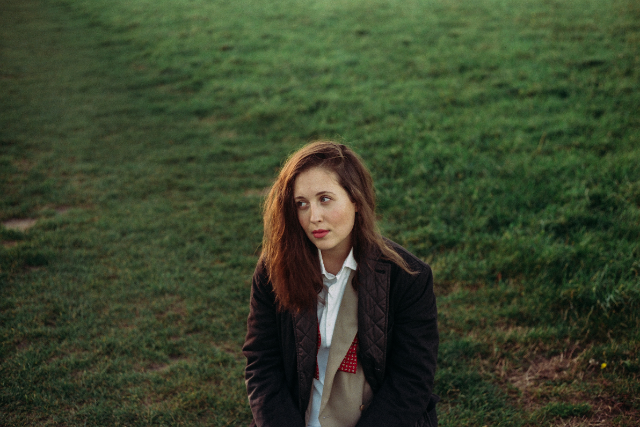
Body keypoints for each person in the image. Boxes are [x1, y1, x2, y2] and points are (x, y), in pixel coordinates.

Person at [243, 141, 439, 427]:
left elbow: (411, 380)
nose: (314, 217)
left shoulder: (408, 277)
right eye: (301, 204)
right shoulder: (274, 269)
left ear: (356, 200)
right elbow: (262, 362)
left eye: (325, 199)